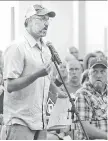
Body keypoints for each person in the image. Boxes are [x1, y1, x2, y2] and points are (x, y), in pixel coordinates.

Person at [2, 4, 67, 140]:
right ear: (29, 20)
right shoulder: (16, 47)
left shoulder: (45, 48)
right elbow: (10, 86)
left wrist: (56, 90)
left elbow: (44, 79)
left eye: (48, 20)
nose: (46, 23)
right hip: (19, 122)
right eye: (42, 19)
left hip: (40, 121)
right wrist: (36, 74)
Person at [74, 57, 107, 140]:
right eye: (94, 71)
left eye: (102, 72)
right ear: (88, 75)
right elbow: (84, 127)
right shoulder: (82, 94)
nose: (98, 75)